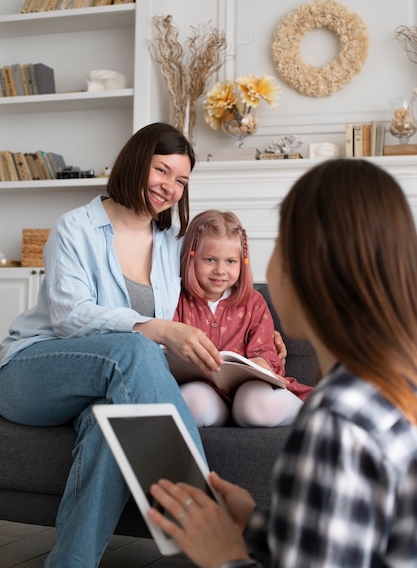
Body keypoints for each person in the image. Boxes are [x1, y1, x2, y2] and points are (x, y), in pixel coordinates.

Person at [148, 158, 417, 568]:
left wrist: (224, 558)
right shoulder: (388, 390)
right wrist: (255, 525)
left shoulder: (337, 424)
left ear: (302, 269)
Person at [0, 122, 225, 568]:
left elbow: (218, 287)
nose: (170, 187)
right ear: (136, 162)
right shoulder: (75, 228)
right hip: (31, 373)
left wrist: (261, 327)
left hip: (106, 383)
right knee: (137, 348)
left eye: (181, 180)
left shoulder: (169, 244)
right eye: (162, 171)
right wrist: (156, 328)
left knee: (111, 428)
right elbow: (70, 317)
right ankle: (208, 526)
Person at [174, 209, 312, 427]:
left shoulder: (253, 302)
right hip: (206, 392)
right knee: (190, 399)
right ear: (191, 258)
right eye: (210, 259)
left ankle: (311, 411)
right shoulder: (178, 301)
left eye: (230, 261)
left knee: (255, 404)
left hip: (248, 391)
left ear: (242, 262)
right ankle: (220, 413)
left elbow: (265, 348)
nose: (220, 270)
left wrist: (261, 362)